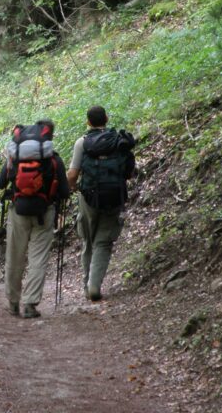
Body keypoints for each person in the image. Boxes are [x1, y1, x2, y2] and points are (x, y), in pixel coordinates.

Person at [0, 119, 70, 318]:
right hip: (44, 213)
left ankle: (13, 303)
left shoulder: (15, 157)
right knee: (38, 259)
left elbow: (0, 183)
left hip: (17, 212)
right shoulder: (54, 160)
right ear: (49, 136)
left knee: (14, 256)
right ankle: (30, 305)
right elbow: (64, 191)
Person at [67, 106, 135, 302]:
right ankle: (94, 285)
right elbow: (129, 172)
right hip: (114, 196)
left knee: (88, 240)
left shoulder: (82, 142)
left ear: (88, 122)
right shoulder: (119, 141)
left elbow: (72, 174)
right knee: (103, 242)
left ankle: (86, 285)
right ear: (107, 118)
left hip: (89, 196)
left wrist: (72, 187)